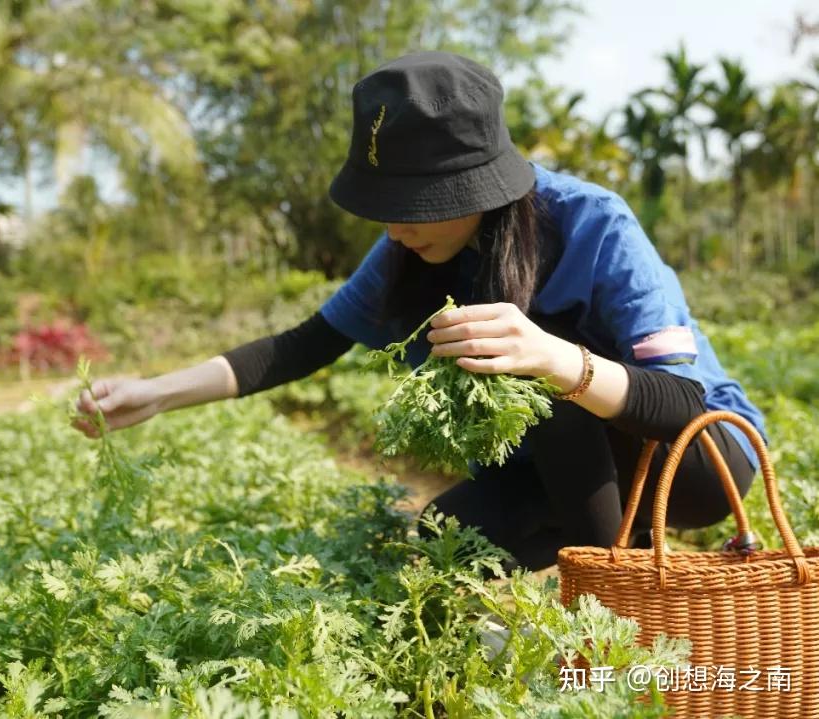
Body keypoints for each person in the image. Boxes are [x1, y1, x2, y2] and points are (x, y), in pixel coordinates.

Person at [72, 51, 767, 572]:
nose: (397, 226)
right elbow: (304, 344)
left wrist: (555, 357)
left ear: (479, 184)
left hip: (698, 461)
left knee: (547, 392)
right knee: (443, 533)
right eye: (387, 209)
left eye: (417, 206)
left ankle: (606, 607)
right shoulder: (410, 246)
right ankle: (613, 547)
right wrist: (156, 392)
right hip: (566, 478)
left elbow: (681, 401)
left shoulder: (593, 223)